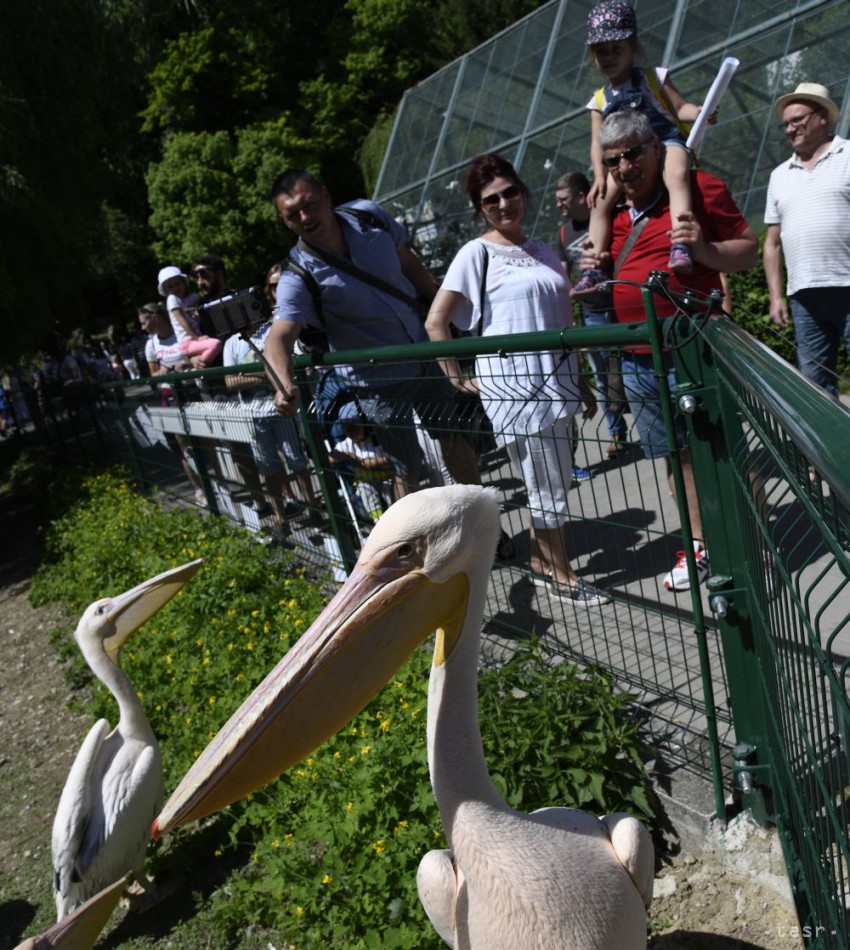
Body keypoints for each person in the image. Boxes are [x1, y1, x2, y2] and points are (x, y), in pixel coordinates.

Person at [579, 110, 758, 591]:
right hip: (638, 356)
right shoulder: (612, 212)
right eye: (614, 160)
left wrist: (704, 252)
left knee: (723, 448)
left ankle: (752, 538)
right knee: (674, 457)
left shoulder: (699, 190)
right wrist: (593, 267)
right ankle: (700, 545)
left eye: (633, 153)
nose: (624, 168)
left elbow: (748, 250)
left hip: (695, 348)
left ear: (657, 148)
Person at [425, 152, 609, 607]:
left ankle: (545, 562)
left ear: (523, 193)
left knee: (554, 477)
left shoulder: (545, 249)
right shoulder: (477, 253)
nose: (504, 204)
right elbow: (437, 321)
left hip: (559, 380)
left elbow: (563, 318)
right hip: (517, 388)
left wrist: (581, 379)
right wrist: (457, 378)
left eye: (510, 193)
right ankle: (560, 573)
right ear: (479, 208)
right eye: (492, 200)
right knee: (546, 480)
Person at [263, 168, 481, 501]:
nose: (305, 217)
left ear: (325, 195)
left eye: (309, 204)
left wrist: (443, 316)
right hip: (377, 382)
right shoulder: (296, 273)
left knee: (452, 438)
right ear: (284, 221)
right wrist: (283, 385)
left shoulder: (368, 216)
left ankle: (487, 524)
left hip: (424, 354)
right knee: (405, 467)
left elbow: (409, 264)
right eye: (293, 215)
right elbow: (278, 337)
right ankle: (408, 548)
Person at [572, 0, 712, 296]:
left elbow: (680, 107)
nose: (608, 57)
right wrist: (599, 177)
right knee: (599, 202)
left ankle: (681, 242)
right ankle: (595, 265)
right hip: (624, 159)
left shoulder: (653, 78)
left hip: (663, 140)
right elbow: (597, 145)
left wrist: (699, 112)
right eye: (601, 51)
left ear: (632, 47)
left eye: (616, 49)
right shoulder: (599, 100)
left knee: (676, 174)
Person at [763, 82, 850, 398]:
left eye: (797, 120)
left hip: (848, 284)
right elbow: (772, 244)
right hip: (804, 296)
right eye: (785, 124)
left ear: (823, 117)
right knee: (814, 384)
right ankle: (832, 448)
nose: (789, 129)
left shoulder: (848, 155)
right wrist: (776, 296)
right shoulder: (779, 176)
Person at [555, 171, 629, 459]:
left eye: (563, 200)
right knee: (601, 374)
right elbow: (563, 274)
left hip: (620, 306)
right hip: (591, 313)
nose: (559, 206)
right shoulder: (564, 233)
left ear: (580, 196)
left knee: (630, 368)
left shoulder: (606, 217)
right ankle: (617, 433)